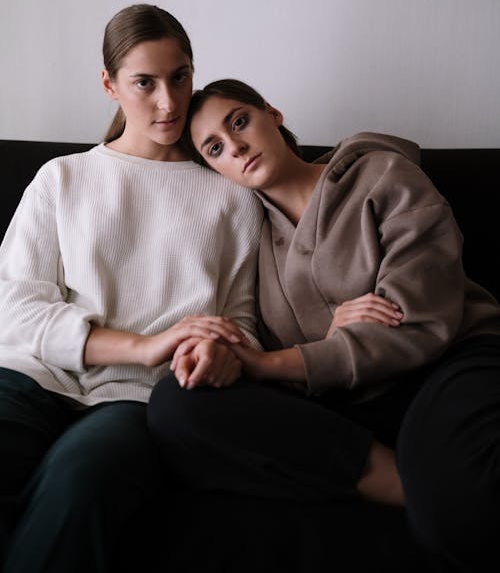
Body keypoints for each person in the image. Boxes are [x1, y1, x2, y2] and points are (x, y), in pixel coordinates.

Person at [148, 78, 500, 572]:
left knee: (463, 511)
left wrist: (273, 362)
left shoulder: (380, 173)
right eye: (216, 148)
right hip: (349, 401)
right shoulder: (253, 238)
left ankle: (435, 495)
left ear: (273, 114)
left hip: (445, 364)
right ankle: (416, 487)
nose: (237, 147)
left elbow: (417, 316)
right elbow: (291, 360)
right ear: (214, 169)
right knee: (174, 405)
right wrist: (226, 354)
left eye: (240, 122)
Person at [0, 13, 264, 572]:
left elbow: (242, 322)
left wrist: (223, 352)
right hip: (29, 377)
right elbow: (13, 309)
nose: (168, 102)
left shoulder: (233, 197)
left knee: (82, 484)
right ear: (110, 84)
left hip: (133, 400)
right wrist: (141, 344)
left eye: (180, 77)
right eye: (145, 82)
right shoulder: (62, 178)